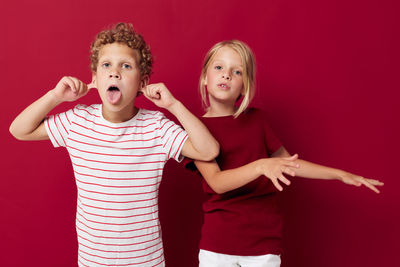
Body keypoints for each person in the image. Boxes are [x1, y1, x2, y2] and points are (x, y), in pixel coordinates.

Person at [9, 23, 219, 267]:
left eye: (126, 66)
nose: (115, 73)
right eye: (106, 65)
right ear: (95, 78)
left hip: (145, 261)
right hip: (93, 261)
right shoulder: (77, 120)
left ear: (143, 82)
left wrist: (173, 105)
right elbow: (19, 130)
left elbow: (208, 150)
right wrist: (56, 96)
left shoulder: (156, 127)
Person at [187, 40, 384, 267]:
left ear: (245, 86)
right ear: (204, 77)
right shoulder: (197, 131)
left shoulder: (257, 120)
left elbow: (288, 163)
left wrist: (339, 174)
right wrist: (261, 165)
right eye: (219, 67)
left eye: (237, 71)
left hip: (263, 244)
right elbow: (217, 183)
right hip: (218, 245)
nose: (227, 75)